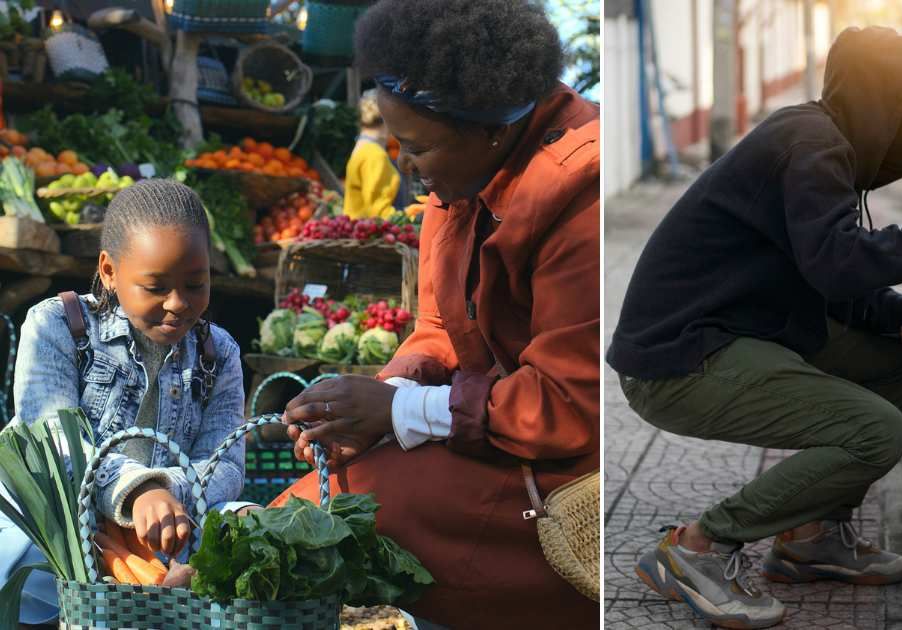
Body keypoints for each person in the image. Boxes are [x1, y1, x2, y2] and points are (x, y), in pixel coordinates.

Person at [607, 26, 902, 629]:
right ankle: (698, 548)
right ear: (873, 101)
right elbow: (837, 263)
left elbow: (815, 265)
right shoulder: (813, 145)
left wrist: (889, 309)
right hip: (678, 359)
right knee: (876, 433)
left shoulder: (819, 138)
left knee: (896, 357)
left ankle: (811, 538)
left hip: (732, 329)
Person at [270, 1, 600, 628]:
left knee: (357, 517)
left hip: (570, 468)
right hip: (504, 433)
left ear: (490, 131)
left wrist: (400, 411)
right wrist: (381, 399)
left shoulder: (583, 188)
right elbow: (442, 329)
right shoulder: (462, 174)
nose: (402, 165)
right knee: (327, 496)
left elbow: (565, 404)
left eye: (417, 147)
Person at [0, 179, 251, 626]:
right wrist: (137, 490)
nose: (178, 303)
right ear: (110, 271)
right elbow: (55, 446)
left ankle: (161, 591)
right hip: (58, 521)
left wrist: (165, 496)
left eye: (196, 283)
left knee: (246, 524)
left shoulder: (219, 353)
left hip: (165, 528)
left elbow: (225, 464)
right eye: (155, 287)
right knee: (29, 551)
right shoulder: (58, 326)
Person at [343, 88, 403, 220]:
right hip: (370, 230)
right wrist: (409, 218)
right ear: (388, 119)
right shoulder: (374, 155)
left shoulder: (363, 146)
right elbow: (378, 211)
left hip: (357, 227)